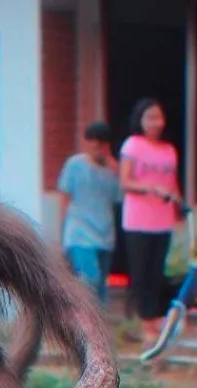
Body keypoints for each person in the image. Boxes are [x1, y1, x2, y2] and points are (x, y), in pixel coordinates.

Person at [119, 98, 181, 343]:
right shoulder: (132, 145)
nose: (155, 123)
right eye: (150, 117)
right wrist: (150, 188)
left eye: (159, 117)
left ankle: (155, 319)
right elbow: (125, 182)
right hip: (138, 221)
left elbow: (173, 183)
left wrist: (178, 207)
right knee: (141, 272)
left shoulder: (169, 150)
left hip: (163, 220)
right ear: (140, 120)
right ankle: (145, 322)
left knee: (158, 272)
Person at [57, 121, 122, 306]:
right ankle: (83, 323)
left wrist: (118, 171)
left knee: (101, 286)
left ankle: (96, 329)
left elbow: (119, 199)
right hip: (79, 232)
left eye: (101, 146)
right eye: (93, 146)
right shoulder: (74, 165)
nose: (97, 150)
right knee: (89, 279)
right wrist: (63, 233)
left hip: (105, 233)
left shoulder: (112, 171)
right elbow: (65, 197)